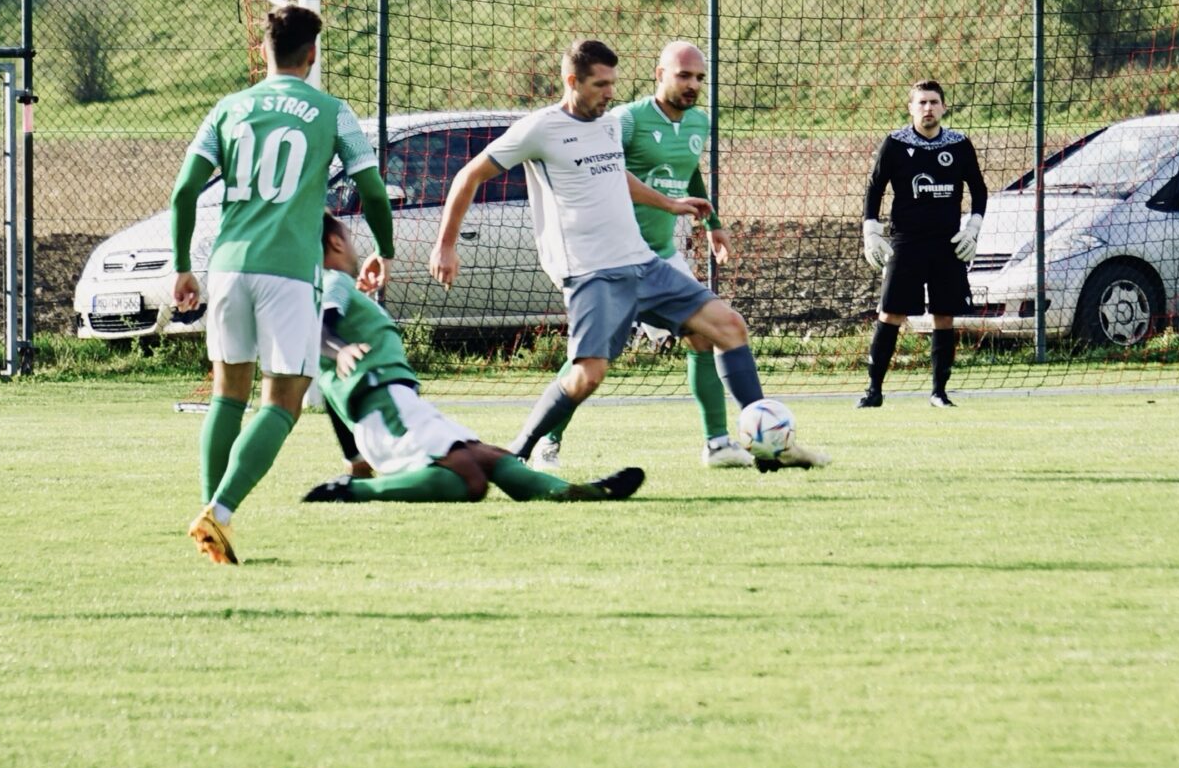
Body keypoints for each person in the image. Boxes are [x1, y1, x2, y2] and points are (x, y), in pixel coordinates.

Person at [431, 38, 828, 474]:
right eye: (600, 85)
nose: (610, 93)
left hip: (642, 262)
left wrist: (670, 204)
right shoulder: (540, 129)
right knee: (588, 375)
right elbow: (469, 176)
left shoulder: (605, 125)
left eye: (612, 83)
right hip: (590, 272)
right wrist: (446, 244)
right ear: (572, 81)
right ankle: (517, 453)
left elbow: (615, 175)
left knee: (728, 326)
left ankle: (768, 442)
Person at [173, 4, 400, 563]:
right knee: (284, 401)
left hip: (228, 266)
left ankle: (211, 514)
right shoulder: (332, 112)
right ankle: (219, 513)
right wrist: (384, 250)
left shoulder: (228, 108)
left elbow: (183, 192)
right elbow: (372, 188)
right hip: (289, 273)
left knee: (228, 394)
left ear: (263, 51)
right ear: (313, 54)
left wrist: (182, 265)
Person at [300, 218, 645, 504]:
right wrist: (339, 348)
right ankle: (354, 493)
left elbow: (329, 390)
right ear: (337, 243)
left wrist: (355, 458)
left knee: (492, 458)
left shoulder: (340, 291)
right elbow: (321, 327)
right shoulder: (333, 280)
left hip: (397, 407)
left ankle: (570, 492)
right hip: (387, 411)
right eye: (350, 238)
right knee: (470, 480)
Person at [610, 39, 753, 468]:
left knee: (704, 335)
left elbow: (689, 174)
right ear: (659, 75)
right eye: (683, 75)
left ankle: (718, 444)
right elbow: (601, 171)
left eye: (699, 78)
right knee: (592, 360)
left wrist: (712, 224)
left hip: (661, 256)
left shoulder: (698, 123)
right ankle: (545, 443)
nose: (693, 85)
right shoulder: (627, 120)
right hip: (613, 257)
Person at [858, 80, 987, 408]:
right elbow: (874, 188)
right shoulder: (895, 143)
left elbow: (979, 189)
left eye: (933, 102)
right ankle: (873, 391)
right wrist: (871, 231)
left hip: (947, 243)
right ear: (911, 108)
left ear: (944, 107)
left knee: (945, 316)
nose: (928, 108)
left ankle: (939, 393)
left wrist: (973, 228)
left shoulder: (959, 144)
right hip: (907, 242)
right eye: (922, 103)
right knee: (891, 313)